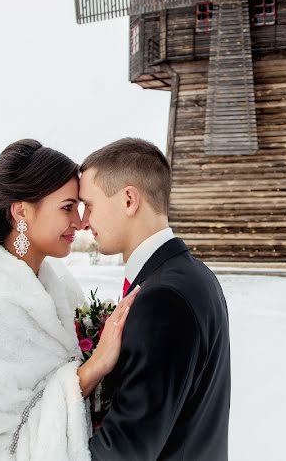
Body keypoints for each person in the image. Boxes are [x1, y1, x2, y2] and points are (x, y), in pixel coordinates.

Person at [0, 139, 139, 460]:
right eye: (67, 207)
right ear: (21, 210)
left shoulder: (60, 285)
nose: (80, 222)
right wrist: (92, 369)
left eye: (80, 207)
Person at [79, 138, 231, 460]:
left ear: (129, 200)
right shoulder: (196, 275)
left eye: (89, 204)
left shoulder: (163, 299)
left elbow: (123, 452)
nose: (83, 221)